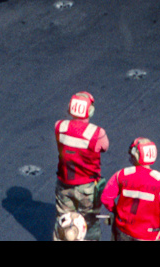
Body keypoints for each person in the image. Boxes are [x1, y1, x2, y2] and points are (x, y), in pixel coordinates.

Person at [53, 92, 109, 241]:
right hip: (88, 187)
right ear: (89, 111)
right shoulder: (97, 133)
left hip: (64, 184)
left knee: (64, 223)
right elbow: (104, 147)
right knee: (90, 223)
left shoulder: (59, 126)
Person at [100, 138, 160, 241]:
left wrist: (115, 211)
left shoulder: (121, 175)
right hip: (148, 236)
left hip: (123, 230)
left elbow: (106, 198)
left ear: (136, 155)